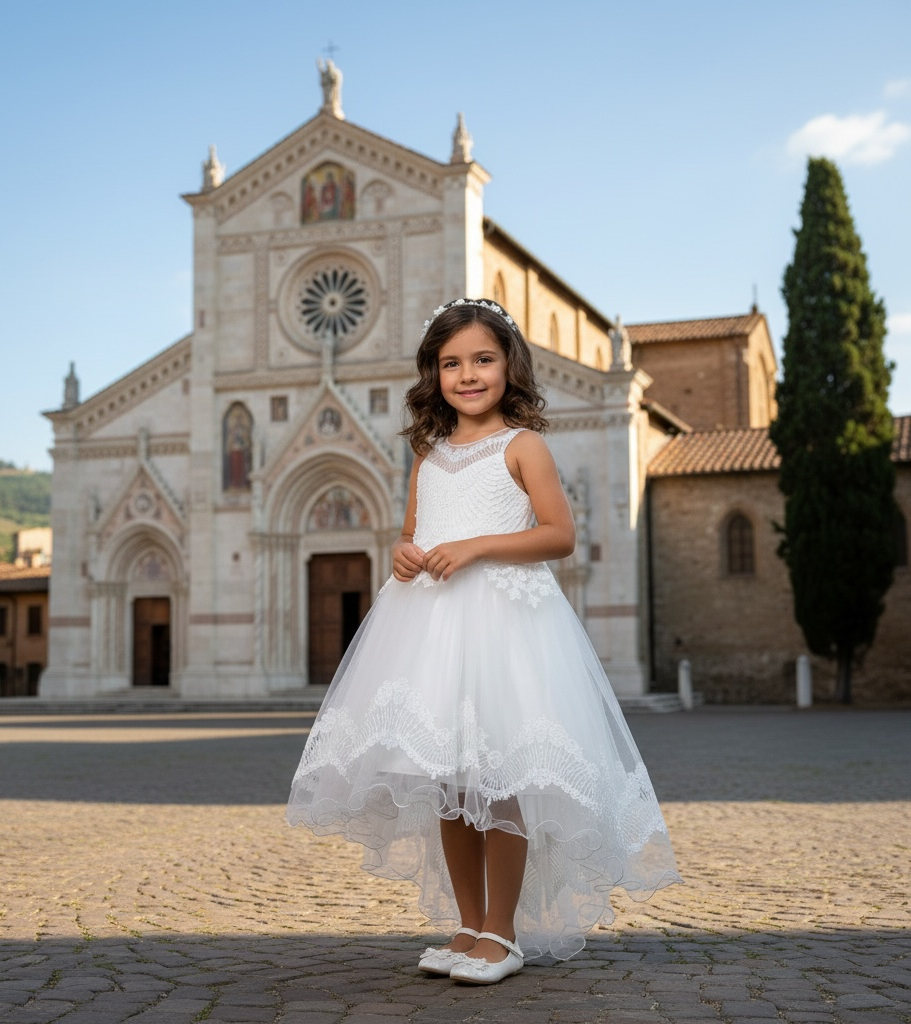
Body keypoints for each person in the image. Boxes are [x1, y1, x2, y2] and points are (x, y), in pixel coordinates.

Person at [286, 298, 681, 984]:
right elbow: (413, 532)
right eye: (451, 363)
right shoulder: (428, 454)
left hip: (503, 628)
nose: (467, 374)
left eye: (482, 360)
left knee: (500, 781)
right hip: (430, 628)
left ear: (508, 366)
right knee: (448, 782)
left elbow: (557, 535)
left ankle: (504, 931)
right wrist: (404, 554)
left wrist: (477, 547)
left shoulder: (522, 446)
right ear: (433, 373)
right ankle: (468, 924)